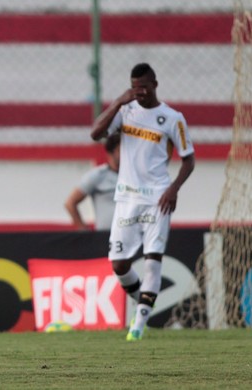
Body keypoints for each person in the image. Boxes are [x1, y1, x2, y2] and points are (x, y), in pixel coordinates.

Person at [90, 63, 195, 341]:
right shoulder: (125, 112)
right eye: (136, 88)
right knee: (119, 265)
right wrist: (117, 102)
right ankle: (144, 302)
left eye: (145, 88)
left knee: (152, 260)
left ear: (155, 84)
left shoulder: (173, 118)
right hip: (127, 198)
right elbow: (95, 133)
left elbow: (189, 159)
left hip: (158, 197)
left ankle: (138, 326)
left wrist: (174, 188)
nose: (141, 93)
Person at [64, 132, 120, 231]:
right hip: (105, 236)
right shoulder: (98, 175)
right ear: (111, 152)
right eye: (120, 150)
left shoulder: (133, 177)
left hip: (130, 237)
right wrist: (84, 231)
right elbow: (70, 203)